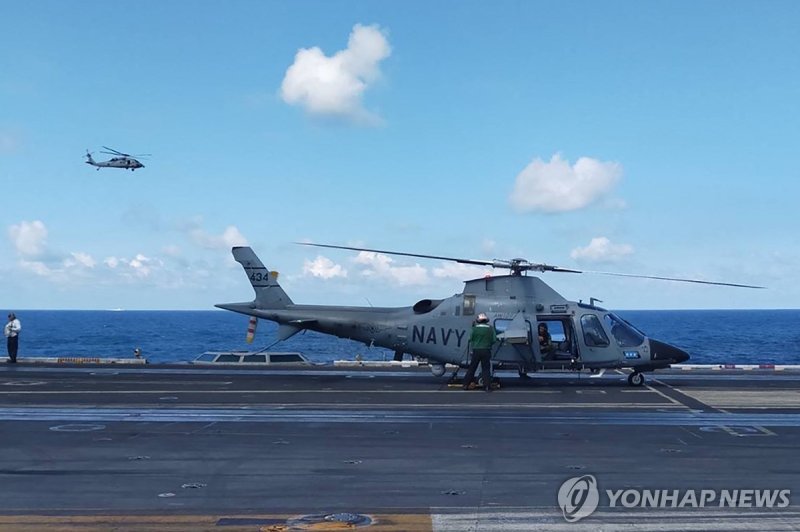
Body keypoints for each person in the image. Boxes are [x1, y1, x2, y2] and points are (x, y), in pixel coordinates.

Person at [463, 313, 497, 392]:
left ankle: (465, 384)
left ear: (478, 320)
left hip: (476, 350)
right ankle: (487, 386)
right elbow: (494, 340)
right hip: (486, 350)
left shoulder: (474, 329)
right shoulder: (490, 328)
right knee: (486, 369)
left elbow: (470, 339)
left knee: (472, 368)